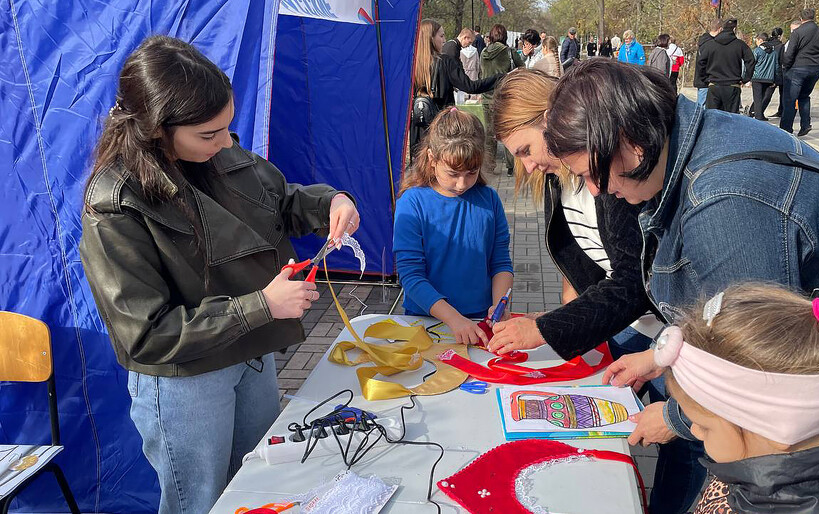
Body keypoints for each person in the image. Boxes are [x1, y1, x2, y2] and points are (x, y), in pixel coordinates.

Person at [543, 58, 819, 512]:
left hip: (814, 442)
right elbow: (722, 313)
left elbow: (752, 363)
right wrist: (658, 357)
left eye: (593, 173)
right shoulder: (691, 144)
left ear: (630, 144)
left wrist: (677, 417)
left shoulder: (725, 205)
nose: (595, 191)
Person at [79, 36, 361, 514]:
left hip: (251, 355)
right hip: (188, 380)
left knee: (261, 486)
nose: (226, 143)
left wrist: (329, 201)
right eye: (210, 135)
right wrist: (263, 305)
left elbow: (278, 201)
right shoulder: (116, 205)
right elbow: (146, 335)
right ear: (155, 129)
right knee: (201, 502)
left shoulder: (218, 151)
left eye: (228, 128)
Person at [489, 68, 690, 514]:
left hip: (670, 331)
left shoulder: (608, 172)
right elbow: (579, 254)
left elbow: (633, 282)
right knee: (609, 437)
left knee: (683, 444)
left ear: (551, 119)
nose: (527, 166)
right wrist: (569, 310)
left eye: (526, 150)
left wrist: (546, 328)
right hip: (625, 328)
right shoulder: (562, 177)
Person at [649, 284, 819, 514]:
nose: (695, 431)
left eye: (704, 425)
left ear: (777, 426)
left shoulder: (765, 478)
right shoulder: (758, 471)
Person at [394, 108, 513, 346]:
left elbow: (500, 262)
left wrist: (500, 304)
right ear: (431, 159)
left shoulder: (489, 199)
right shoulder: (412, 202)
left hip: (480, 322)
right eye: (453, 173)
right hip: (426, 323)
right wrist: (454, 319)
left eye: (471, 173)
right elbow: (411, 276)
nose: (461, 184)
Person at [410, 20, 500, 159]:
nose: (444, 40)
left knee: (422, 170)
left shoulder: (411, 64)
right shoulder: (445, 62)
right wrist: (500, 78)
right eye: (441, 36)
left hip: (418, 128)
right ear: (430, 38)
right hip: (442, 127)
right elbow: (471, 86)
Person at [780, 8, 819, 136]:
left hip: (797, 68)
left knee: (790, 99)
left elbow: (790, 52)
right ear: (814, 17)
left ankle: (786, 128)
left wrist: (786, 66)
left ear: (801, 19)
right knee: (804, 97)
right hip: (815, 69)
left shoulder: (797, 32)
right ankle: (805, 124)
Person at [481, 23, 525, 176]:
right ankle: (511, 166)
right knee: (507, 130)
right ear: (505, 36)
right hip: (504, 97)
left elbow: (482, 74)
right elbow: (522, 68)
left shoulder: (483, 53)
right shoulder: (509, 52)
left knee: (489, 133)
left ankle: (489, 165)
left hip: (486, 97)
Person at [696, 18, 755, 113]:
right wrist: (746, 78)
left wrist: (704, 78)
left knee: (712, 118)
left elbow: (700, 62)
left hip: (714, 85)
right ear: (734, 30)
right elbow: (751, 61)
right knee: (731, 119)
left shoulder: (710, 45)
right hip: (732, 85)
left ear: (721, 29)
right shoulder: (740, 45)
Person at [749, 32, 779, 120]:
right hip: (769, 78)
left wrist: (748, 76)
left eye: (757, 40)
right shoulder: (774, 52)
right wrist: (776, 79)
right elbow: (776, 66)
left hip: (757, 77)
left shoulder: (757, 51)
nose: (756, 42)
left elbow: (752, 63)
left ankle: (757, 115)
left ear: (761, 40)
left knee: (757, 97)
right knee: (763, 97)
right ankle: (759, 113)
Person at [694, 18, 723, 106]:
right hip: (705, 81)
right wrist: (706, 78)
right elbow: (701, 63)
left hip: (705, 80)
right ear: (720, 29)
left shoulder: (704, 42)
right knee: (702, 107)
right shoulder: (709, 43)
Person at [765, 27, 785, 117]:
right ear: (780, 36)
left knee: (766, 93)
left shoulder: (766, 44)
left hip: (766, 71)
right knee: (783, 93)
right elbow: (782, 60)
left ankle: (756, 110)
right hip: (777, 71)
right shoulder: (781, 46)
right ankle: (781, 111)